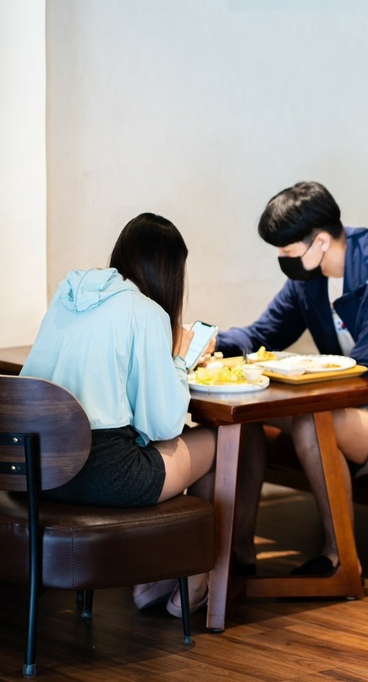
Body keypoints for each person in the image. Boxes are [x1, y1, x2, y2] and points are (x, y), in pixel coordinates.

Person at [216, 180, 368, 576]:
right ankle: (238, 553)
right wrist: (212, 341)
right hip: (353, 404)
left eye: (287, 252)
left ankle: (340, 559)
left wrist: (293, 382)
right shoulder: (309, 280)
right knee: (245, 417)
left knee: (312, 423)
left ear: (320, 241)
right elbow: (263, 334)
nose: (283, 259)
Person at [19, 213, 216, 617]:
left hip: (35, 472)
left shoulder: (67, 296)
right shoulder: (145, 312)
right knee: (216, 441)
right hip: (100, 474)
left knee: (153, 447)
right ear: (170, 272)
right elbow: (164, 424)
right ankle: (193, 583)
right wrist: (180, 359)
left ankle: (152, 581)